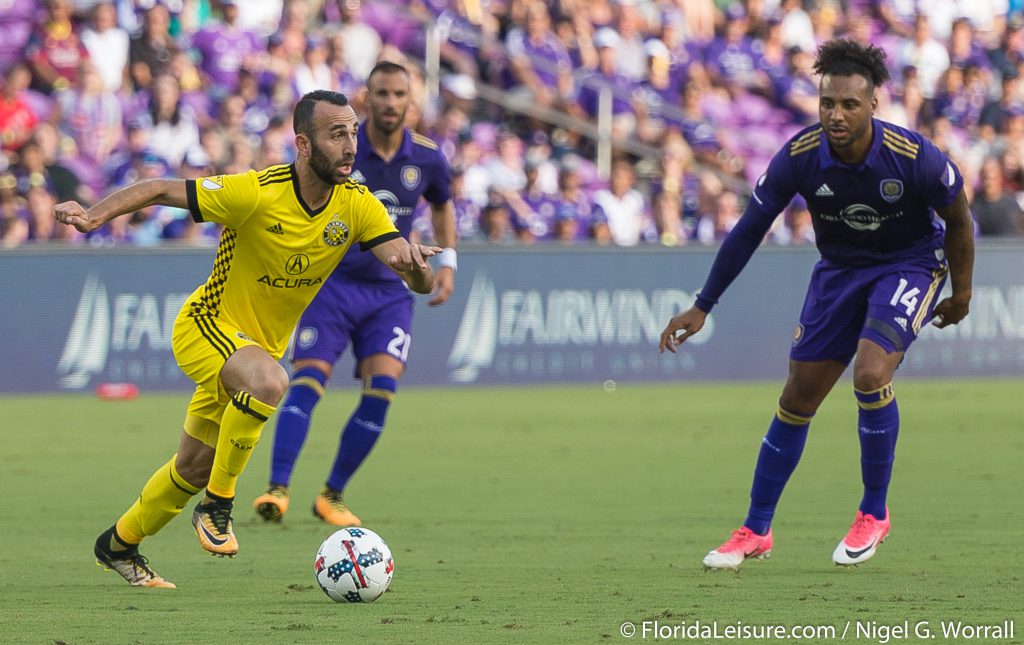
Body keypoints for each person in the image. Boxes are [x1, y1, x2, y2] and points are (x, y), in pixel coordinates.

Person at [54, 89, 440, 588]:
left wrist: (420, 271)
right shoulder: (256, 191)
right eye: (336, 134)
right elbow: (158, 189)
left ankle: (118, 544)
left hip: (252, 353)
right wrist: (93, 216)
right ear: (303, 144)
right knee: (270, 382)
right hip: (206, 327)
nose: (350, 145)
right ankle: (218, 505)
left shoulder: (357, 204)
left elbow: (408, 270)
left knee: (191, 466)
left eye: (353, 133)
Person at [658, 39, 974, 571]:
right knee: (798, 397)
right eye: (828, 103)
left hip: (910, 264)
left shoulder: (915, 156)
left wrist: (961, 293)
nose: (837, 114)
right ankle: (756, 529)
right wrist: (703, 304)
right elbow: (749, 230)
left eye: (849, 104)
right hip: (839, 272)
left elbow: (960, 220)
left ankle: (874, 513)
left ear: (873, 104)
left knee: (870, 374)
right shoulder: (801, 157)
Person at [252, 61, 456, 527]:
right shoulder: (340, 148)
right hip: (332, 286)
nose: (390, 103)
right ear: (367, 97)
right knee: (306, 383)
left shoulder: (427, 156)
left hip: (390, 293)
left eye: (399, 94)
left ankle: (332, 495)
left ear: (410, 100)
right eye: (381, 93)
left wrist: (449, 263)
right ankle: (276, 488)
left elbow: (444, 206)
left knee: (382, 390)